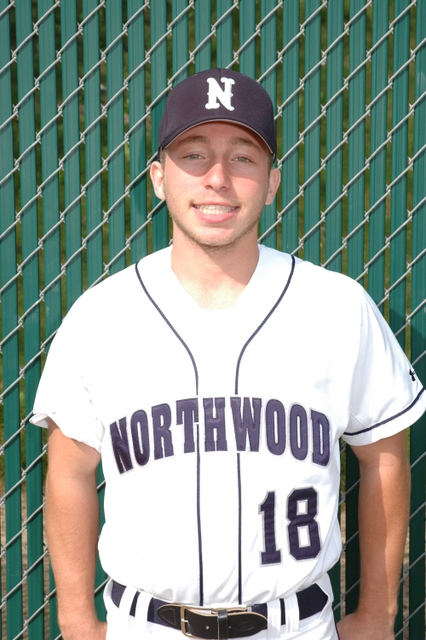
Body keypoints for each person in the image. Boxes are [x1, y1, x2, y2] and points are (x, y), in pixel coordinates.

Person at [31, 68, 425, 640]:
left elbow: (384, 457)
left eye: (243, 158)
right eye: (194, 155)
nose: (217, 179)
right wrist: (74, 621)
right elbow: (69, 472)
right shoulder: (101, 316)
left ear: (271, 182)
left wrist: (377, 615)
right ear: (159, 177)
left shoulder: (339, 308)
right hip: (146, 626)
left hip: (294, 625)